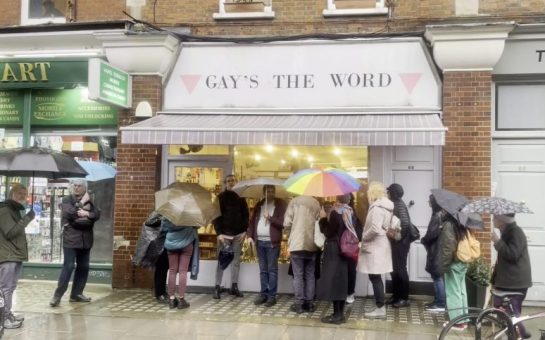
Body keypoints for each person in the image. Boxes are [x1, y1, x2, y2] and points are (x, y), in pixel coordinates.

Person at [50, 179, 100, 307]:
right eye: (75, 186)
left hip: (86, 240)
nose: (76, 188)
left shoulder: (91, 200)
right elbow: (70, 213)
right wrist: (82, 203)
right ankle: (57, 295)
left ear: (85, 188)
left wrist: (86, 213)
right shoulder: (67, 199)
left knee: (83, 267)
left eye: (79, 186)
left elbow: (97, 215)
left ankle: (76, 294)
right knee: (69, 266)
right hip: (71, 239)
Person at [491, 213, 532, 339]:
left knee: (511, 311)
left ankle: (520, 332)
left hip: (515, 282)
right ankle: (518, 332)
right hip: (509, 281)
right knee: (506, 311)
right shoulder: (508, 231)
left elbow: (512, 254)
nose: (493, 220)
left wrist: (497, 241)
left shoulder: (516, 232)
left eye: (495, 217)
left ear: (502, 220)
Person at [316, 194, 356, 324]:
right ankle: (340, 314)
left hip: (334, 249)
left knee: (334, 282)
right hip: (346, 250)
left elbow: (328, 232)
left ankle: (337, 315)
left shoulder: (336, 212)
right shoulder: (350, 211)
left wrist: (322, 219)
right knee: (341, 281)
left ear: (338, 199)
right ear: (348, 200)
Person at [0, 184, 34, 329]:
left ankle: (8, 314)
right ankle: (4, 319)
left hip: (14, 255)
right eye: (20, 193)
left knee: (10, 287)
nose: (23, 196)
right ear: (12, 194)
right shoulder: (5, 210)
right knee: (5, 288)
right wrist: (27, 219)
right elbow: (10, 232)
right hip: (7, 255)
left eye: (25, 193)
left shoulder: (14, 210)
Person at [247, 185, 287, 307]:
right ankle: (263, 294)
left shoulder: (280, 204)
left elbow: (282, 224)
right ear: (263, 192)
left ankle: (272, 296)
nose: (270, 193)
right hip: (259, 241)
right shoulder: (259, 204)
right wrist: (250, 236)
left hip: (272, 242)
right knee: (263, 270)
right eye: (267, 191)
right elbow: (252, 222)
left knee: (272, 270)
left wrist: (270, 218)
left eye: (272, 191)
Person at [359, 181, 393, 319]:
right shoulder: (386, 207)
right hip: (380, 245)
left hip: (375, 246)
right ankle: (380, 306)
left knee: (375, 277)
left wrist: (363, 238)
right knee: (376, 277)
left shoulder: (377, 208)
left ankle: (380, 308)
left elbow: (374, 228)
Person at [212, 174, 249, 299]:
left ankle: (234, 286)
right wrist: (219, 233)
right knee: (222, 262)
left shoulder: (241, 197)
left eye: (233, 180)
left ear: (236, 182)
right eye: (228, 181)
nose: (231, 183)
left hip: (238, 234)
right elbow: (215, 216)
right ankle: (217, 287)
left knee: (236, 262)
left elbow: (246, 215)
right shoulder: (220, 197)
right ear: (225, 183)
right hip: (224, 235)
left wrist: (245, 231)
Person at [283, 195, 321, 314]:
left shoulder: (294, 202)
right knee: (310, 275)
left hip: (297, 244)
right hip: (312, 244)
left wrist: (290, 233)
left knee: (298, 275)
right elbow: (319, 223)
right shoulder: (315, 203)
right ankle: (309, 304)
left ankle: (299, 304)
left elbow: (286, 223)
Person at [437, 207, 469, 329]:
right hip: (462, 261)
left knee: (453, 292)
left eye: (445, 210)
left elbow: (447, 248)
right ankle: (464, 318)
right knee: (461, 291)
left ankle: (457, 322)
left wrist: (443, 266)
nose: (443, 211)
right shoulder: (461, 224)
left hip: (453, 263)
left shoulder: (448, 225)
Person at [162, 218, 198, 309]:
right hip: (186, 243)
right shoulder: (189, 214)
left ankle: (171, 300)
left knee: (172, 271)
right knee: (183, 271)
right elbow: (197, 226)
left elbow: (163, 228)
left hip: (171, 243)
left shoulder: (169, 213)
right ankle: (181, 300)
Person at [386, 183, 411, 308]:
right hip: (397, 243)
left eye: (389, 191)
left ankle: (404, 298)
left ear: (393, 193)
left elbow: (405, 225)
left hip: (400, 244)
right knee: (395, 270)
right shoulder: (396, 204)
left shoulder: (399, 205)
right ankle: (396, 295)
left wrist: (397, 239)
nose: (388, 194)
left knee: (400, 270)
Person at [420, 194, 446, 312]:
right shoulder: (439, 215)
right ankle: (437, 301)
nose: (428, 203)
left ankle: (440, 303)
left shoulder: (437, 216)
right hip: (436, 248)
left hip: (436, 249)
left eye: (430, 201)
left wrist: (424, 240)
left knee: (437, 276)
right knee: (436, 275)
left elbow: (432, 233)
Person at [346, 193, 363, 304]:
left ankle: (349, 293)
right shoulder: (355, 212)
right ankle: (350, 293)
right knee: (351, 270)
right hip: (352, 245)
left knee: (349, 270)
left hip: (347, 245)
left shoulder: (348, 212)